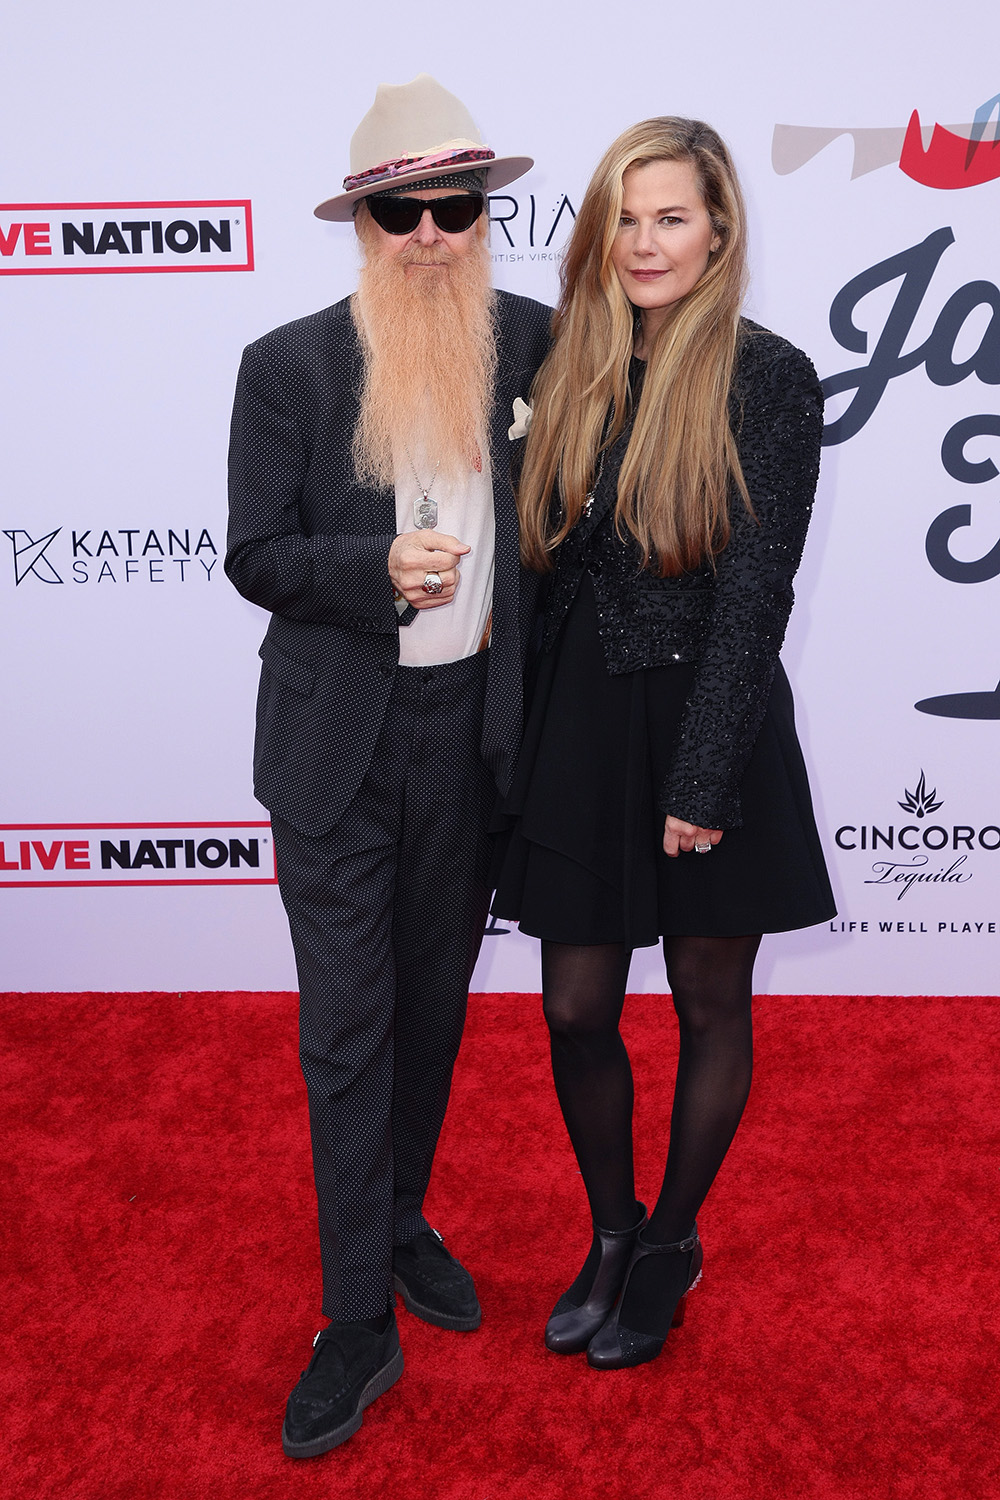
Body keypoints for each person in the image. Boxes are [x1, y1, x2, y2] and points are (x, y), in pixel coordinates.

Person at [226, 74, 550, 1454]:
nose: (430, 234)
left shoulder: (534, 345)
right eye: (402, 211)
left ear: (484, 217)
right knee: (347, 1026)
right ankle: (356, 1321)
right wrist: (372, 570)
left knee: (431, 1010)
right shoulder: (287, 365)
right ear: (362, 224)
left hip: (475, 737)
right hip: (338, 747)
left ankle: (401, 1215)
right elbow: (256, 555)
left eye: (455, 208)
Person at [491, 117, 836, 1370]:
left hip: (705, 714)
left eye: (671, 217)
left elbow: (755, 593)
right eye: (625, 219)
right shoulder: (566, 362)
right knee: (576, 1007)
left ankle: (671, 1242)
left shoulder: (768, 375)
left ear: (718, 230)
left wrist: (703, 776)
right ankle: (611, 1230)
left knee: (705, 997)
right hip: (580, 721)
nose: (644, 243)